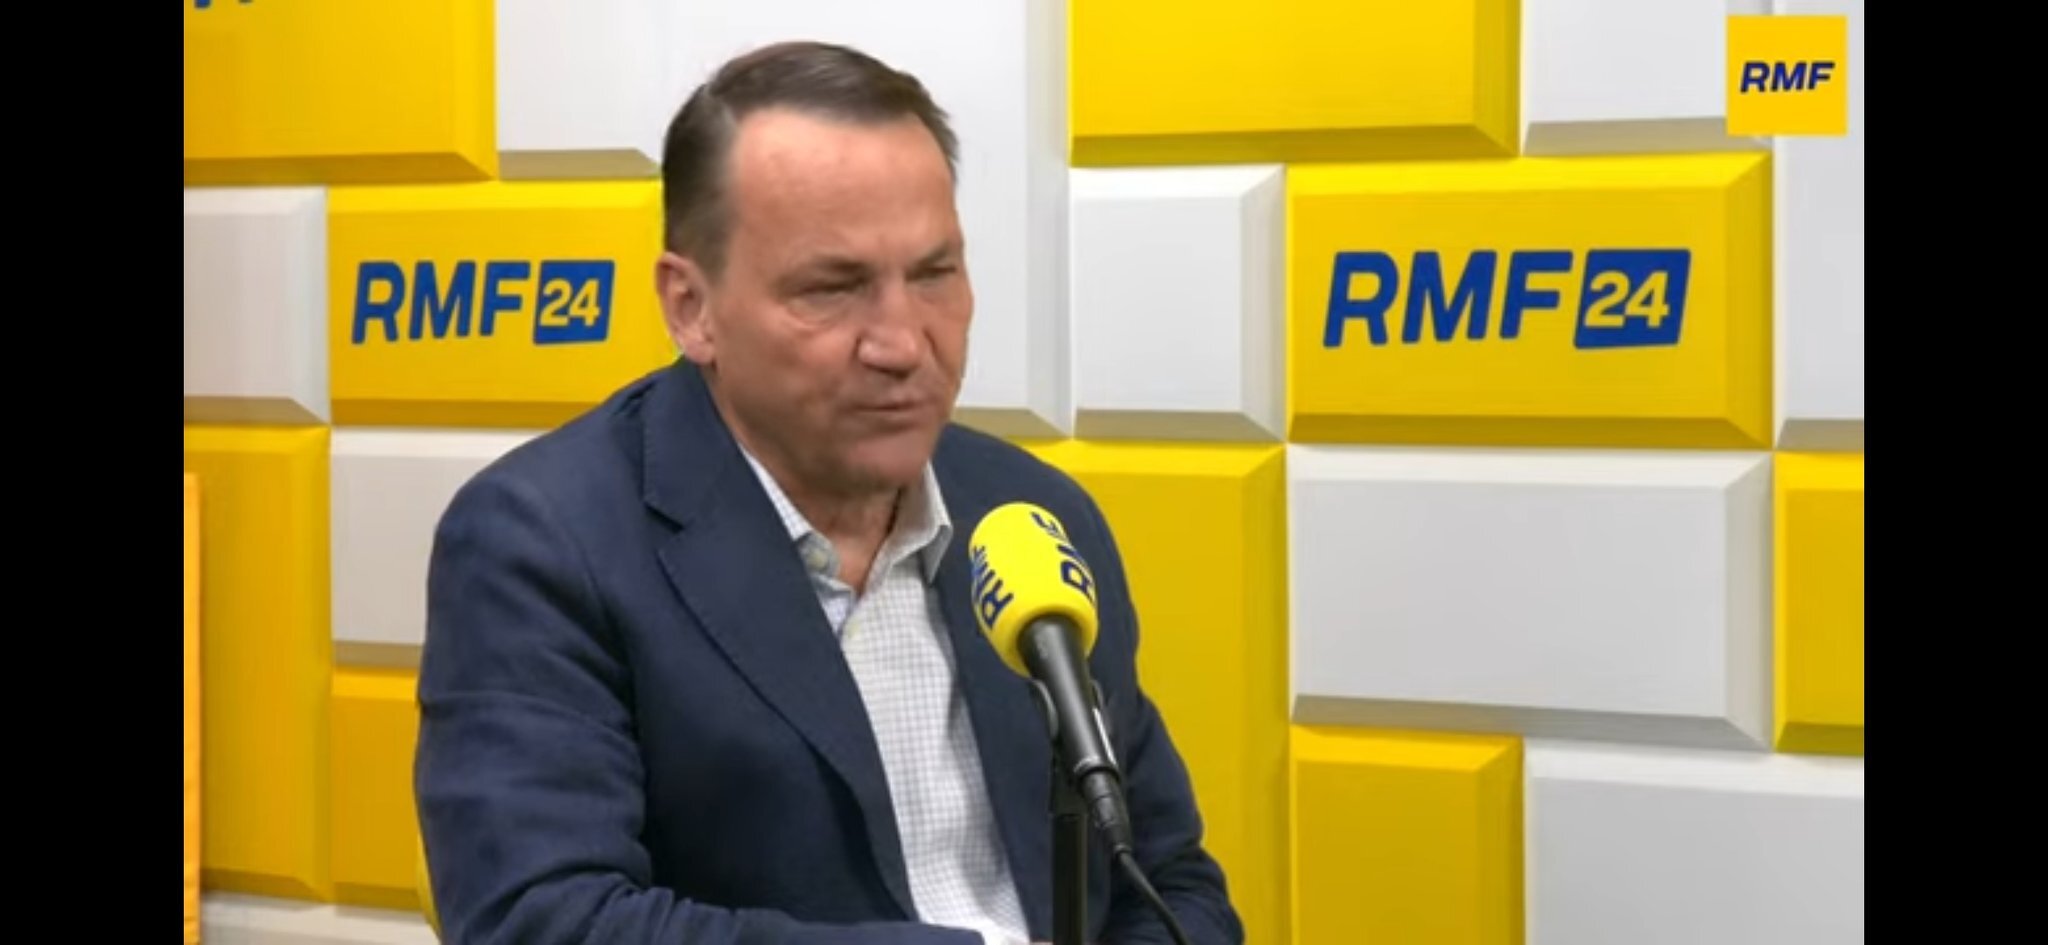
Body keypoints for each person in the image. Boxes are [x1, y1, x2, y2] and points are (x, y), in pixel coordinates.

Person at [413, 40, 1243, 945]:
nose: (902, 342)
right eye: (832, 288)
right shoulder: (542, 542)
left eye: (934, 274)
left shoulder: (1033, 517)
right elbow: (542, 922)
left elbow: (1169, 882)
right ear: (691, 307)